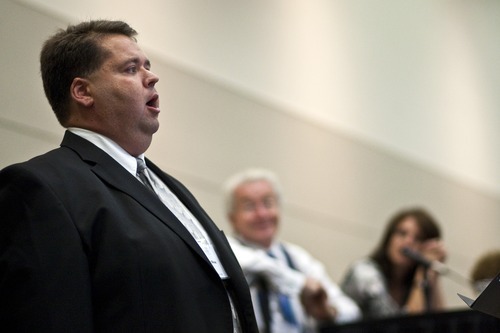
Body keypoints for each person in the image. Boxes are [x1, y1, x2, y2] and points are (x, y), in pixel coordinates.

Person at [0, 20, 258, 333]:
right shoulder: (40, 187)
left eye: (147, 66)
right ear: (83, 91)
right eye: (131, 68)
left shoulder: (169, 187)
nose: (153, 77)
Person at [223, 168, 361, 333]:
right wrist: (301, 285)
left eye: (268, 203)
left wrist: (327, 311)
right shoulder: (225, 253)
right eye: (249, 206)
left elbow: (351, 311)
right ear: (232, 218)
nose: (262, 214)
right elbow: (259, 265)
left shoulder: (297, 257)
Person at [340, 207, 447, 320]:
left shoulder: (414, 282)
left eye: (418, 238)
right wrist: (421, 276)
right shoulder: (364, 273)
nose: (408, 242)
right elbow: (405, 327)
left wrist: (431, 272)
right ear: (389, 237)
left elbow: (440, 324)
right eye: (402, 233)